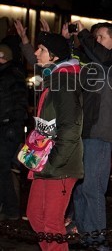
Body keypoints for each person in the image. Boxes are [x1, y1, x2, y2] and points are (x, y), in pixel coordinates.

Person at [70, 21, 112, 250]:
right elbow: (76, 58)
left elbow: (100, 55)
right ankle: (85, 237)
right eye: (96, 38)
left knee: (93, 188)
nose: (97, 41)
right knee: (81, 187)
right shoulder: (99, 60)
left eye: (101, 37)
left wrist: (84, 34)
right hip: (86, 130)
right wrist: (70, 39)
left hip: (100, 132)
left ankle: (97, 243)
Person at [25, 32, 83, 251]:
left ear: (55, 56)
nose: (36, 53)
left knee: (51, 222)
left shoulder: (65, 82)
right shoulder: (55, 79)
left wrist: (55, 162)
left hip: (60, 163)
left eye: (41, 49)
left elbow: (70, 127)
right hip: (46, 159)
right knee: (35, 215)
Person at [0, 44, 28, 221]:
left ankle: (11, 210)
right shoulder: (5, 74)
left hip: (8, 128)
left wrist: (12, 126)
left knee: (2, 169)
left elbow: (19, 103)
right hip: (6, 127)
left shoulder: (12, 75)